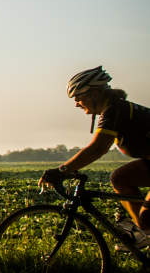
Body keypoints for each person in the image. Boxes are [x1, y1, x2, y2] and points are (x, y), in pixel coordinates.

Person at [40, 66, 150, 247]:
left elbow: (98, 148)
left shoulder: (114, 110)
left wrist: (62, 170)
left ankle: (144, 231)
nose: (76, 103)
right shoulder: (115, 109)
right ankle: (144, 233)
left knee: (147, 219)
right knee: (120, 178)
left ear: (95, 93)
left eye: (77, 97)